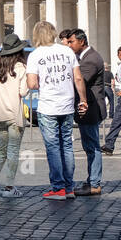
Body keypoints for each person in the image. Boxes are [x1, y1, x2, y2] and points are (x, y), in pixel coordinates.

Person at [26, 20, 88, 200]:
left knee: (53, 147)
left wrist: (41, 83)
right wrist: (83, 99)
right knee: (67, 145)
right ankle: (69, 187)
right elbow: (78, 78)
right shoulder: (67, 51)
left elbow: (32, 83)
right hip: (67, 104)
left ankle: (58, 187)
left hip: (48, 106)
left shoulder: (36, 55)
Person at [0, 34, 29, 198]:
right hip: (13, 114)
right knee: (13, 151)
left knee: (1, 151)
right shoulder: (20, 68)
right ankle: (9, 187)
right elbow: (23, 92)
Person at [66, 28, 106, 197]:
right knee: (90, 146)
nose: (69, 45)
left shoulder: (90, 60)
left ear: (81, 42)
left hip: (90, 108)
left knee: (92, 147)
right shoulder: (86, 57)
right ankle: (92, 180)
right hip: (89, 107)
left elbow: (78, 81)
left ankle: (95, 183)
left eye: (71, 42)